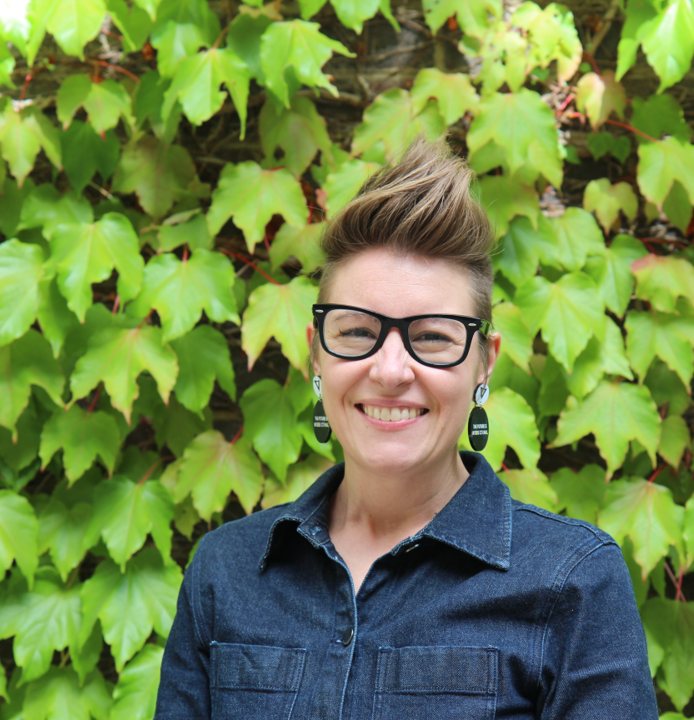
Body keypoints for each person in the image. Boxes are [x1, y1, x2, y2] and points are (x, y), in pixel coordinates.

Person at [154, 138, 659, 719]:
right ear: (316, 354)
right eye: (355, 332)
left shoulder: (572, 580)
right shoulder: (226, 571)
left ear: (484, 362)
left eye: (433, 337)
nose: (391, 370)